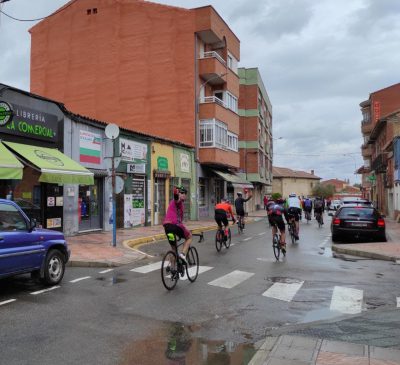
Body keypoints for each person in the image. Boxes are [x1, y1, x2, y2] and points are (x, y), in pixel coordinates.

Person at [163, 185, 192, 262]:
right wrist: (176, 193)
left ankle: (173, 269)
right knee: (189, 237)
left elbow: (180, 221)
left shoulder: (178, 204)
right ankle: (183, 254)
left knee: (174, 249)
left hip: (167, 227)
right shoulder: (177, 202)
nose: (183, 194)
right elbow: (176, 199)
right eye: (181, 193)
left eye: (184, 193)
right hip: (174, 225)